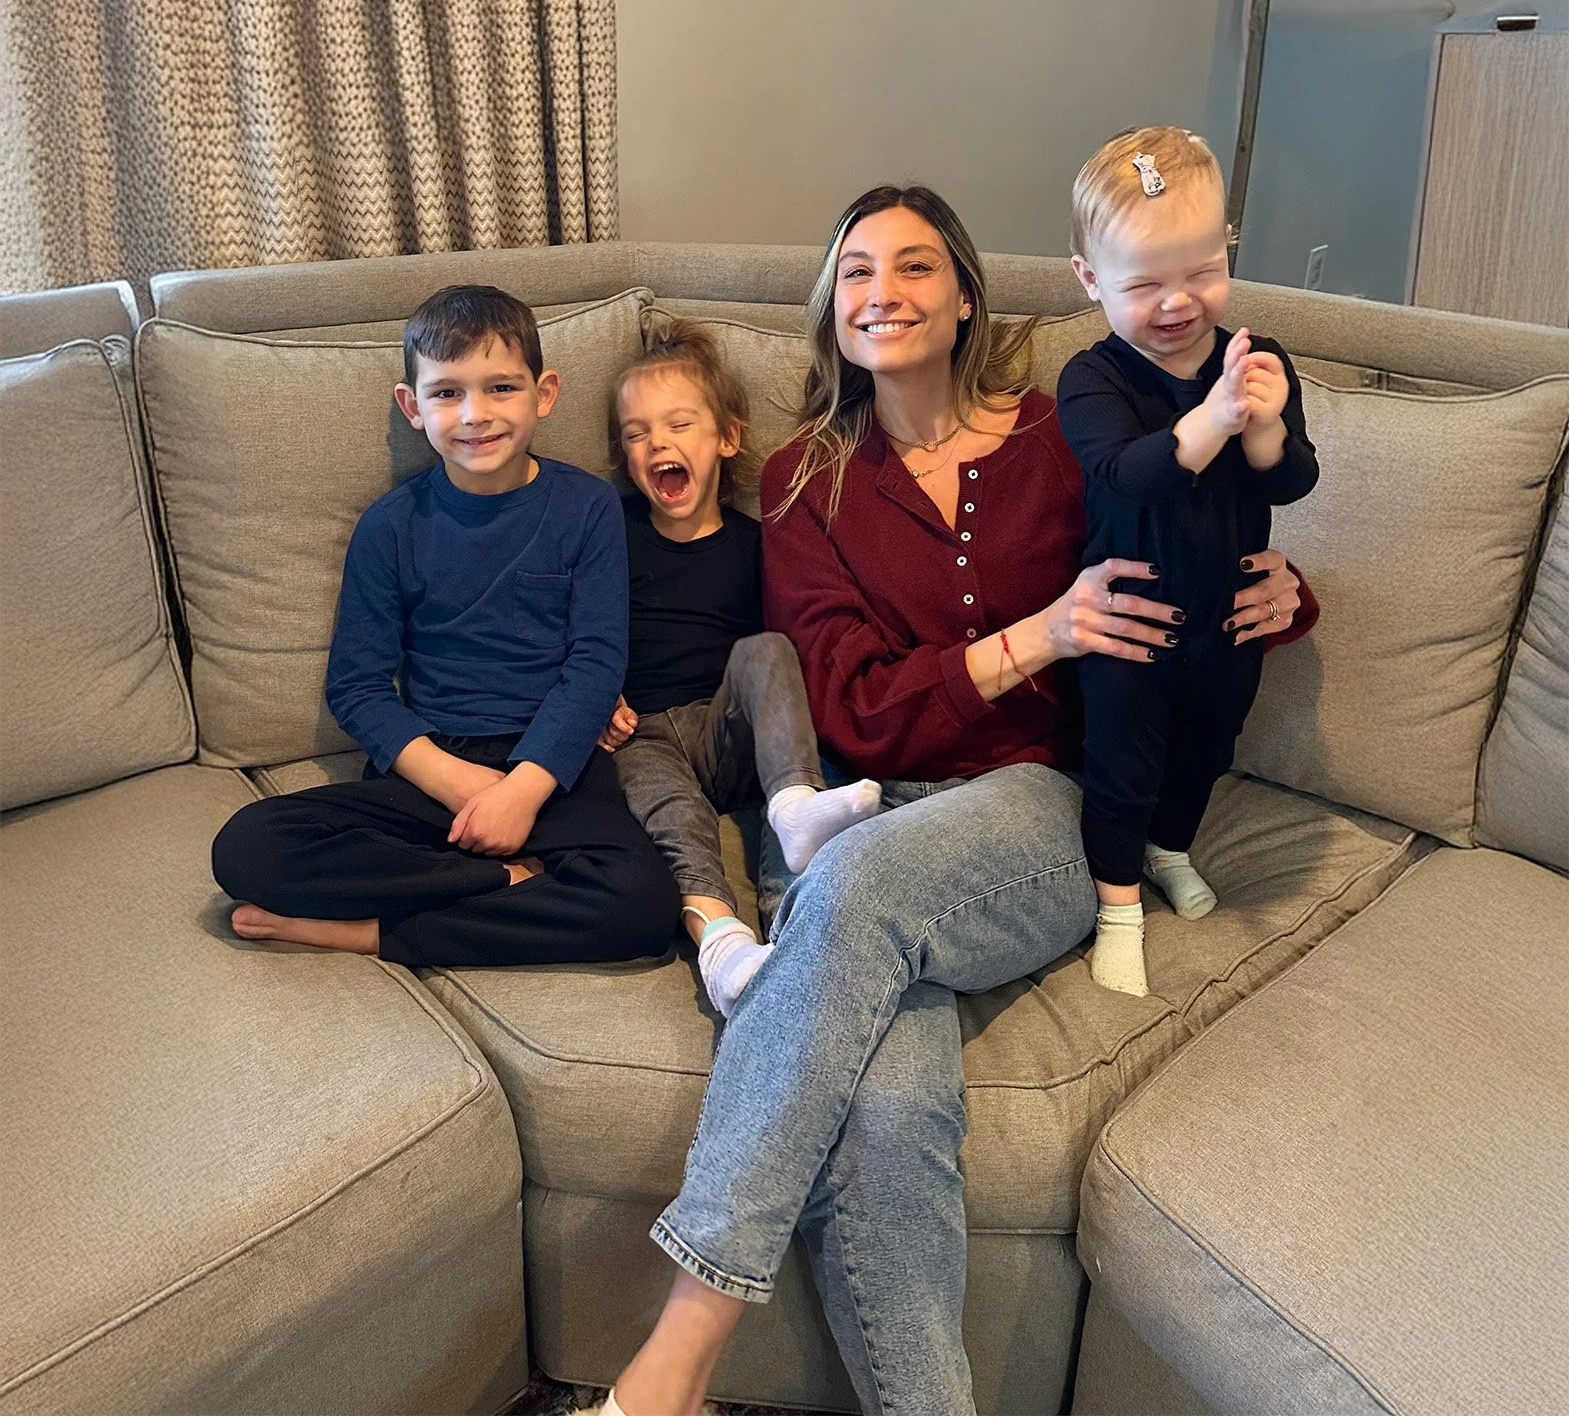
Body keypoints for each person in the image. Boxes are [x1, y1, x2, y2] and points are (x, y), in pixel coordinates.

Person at [592, 188, 1314, 1416]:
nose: (885, 289)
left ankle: (671, 1367)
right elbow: (854, 709)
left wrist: (1280, 593)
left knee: (857, 885)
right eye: (858, 269)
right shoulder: (809, 483)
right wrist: (1040, 634)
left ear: (965, 294)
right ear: (835, 310)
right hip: (845, 801)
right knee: (882, 1117)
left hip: (1027, 805)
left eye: (916, 265)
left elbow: (1193, 528)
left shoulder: (1060, 433)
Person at [211, 285, 680, 968]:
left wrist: (520, 791)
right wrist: (462, 786)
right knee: (246, 846)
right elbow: (358, 687)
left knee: (641, 904)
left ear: (543, 393)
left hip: (554, 768)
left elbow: (594, 667)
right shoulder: (389, 525)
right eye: (447, 393)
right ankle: (508, 881)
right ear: (413, 406)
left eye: (499, 388)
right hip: (431, 771)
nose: (475, 415)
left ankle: (374, 932)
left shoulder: (587, 508)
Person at [1057, 127, 1319, 997]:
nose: (1177, 303)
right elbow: (1130, 476)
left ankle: (1172, 847)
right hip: (1128, 625)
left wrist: (1270, 424)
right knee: (1122, 765)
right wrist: (1212, 417)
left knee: (1208, 745)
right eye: (1143, 284)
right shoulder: (1092, 379)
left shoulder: (1259, 360)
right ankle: (1118, 907)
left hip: (1229, 620)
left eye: (1201, 272)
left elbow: (1291, 481)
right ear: (1090, 280)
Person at [597, 318, 881, 1015]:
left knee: (768, 650)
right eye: (636, 433)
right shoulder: (610, 531)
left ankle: (793, 806)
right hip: (641, 733)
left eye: (678, 424)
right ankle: (722, 944)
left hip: (729, 730)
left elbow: (797, 645)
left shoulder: (762, 542)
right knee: (671, 812)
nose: (656, 442)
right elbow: (567, 623)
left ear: (725, 437)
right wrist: (593, 696)